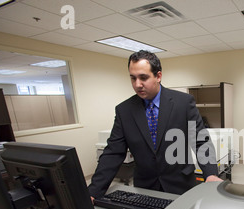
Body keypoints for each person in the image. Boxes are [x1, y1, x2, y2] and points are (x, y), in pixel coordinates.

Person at [88, 50, 221, 200]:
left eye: (143, 78)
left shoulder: (183, 103)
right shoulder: (124, 110)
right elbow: (113, 152)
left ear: (158, 76)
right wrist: (93, 191)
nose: (137, 84)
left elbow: (200, 141)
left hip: (180, 185)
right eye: (133, 78)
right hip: (145, 187)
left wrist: (210, 174)